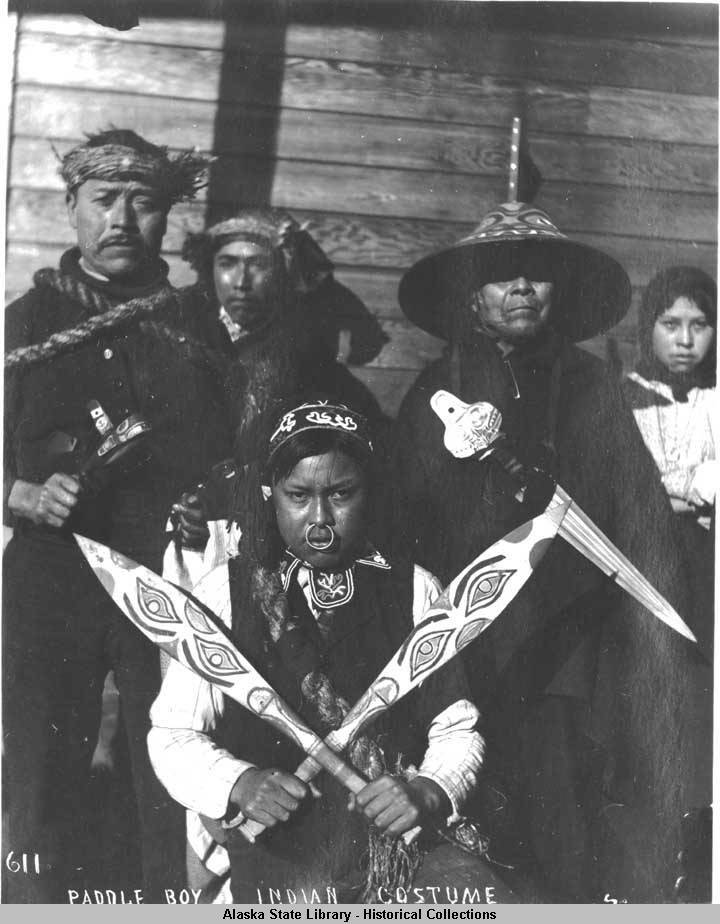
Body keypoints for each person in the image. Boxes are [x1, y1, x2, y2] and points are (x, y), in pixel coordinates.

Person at [392, 200, 705, 901]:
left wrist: (661, 630)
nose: (522, 289)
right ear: (473, 296)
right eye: (503, 277)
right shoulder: (435, 391)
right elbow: (401, 516)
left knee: (565, 816)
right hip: (465, 642)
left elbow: (640, 515)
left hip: (571, 646)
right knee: (473, 813)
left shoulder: (589, 385)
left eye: (537, 276)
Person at [149, 398, 522, 904]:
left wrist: (428, 790)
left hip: (396, 849)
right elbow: (174, 734)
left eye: (341, 494)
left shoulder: (411, 588)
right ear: (270, 497)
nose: (320, 518)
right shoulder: (227, 593)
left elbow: (458, 730)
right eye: (298, 496)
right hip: (283, 855)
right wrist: (240, 782)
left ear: (368, 493)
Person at [3, 129, 231, 902]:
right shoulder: (24, 322)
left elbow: (237, 454)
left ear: (168, 221)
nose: (123, 220)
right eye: (104, 201)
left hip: (161, 577)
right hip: (48, 576)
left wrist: (213, 504)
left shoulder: (201, 325)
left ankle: (165, 907)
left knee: (165, 765)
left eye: (144, 204)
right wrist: (22, 496)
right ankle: (29, 907)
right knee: (37, 767)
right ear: (72, 208)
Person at [169, 209, 384, 556]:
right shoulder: (183, 337)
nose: (241, 280)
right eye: (227, 263)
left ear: (282, 270)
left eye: (257, 264)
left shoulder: (306, 353)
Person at [623, 266, 715, 655]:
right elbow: (626, 484)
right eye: (670, 324)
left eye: (700, 325)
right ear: (649, 327)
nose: (685, 341)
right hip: (642, 557)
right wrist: (694, 485)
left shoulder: (714, 399)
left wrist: (668, 486)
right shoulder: (626, 398)